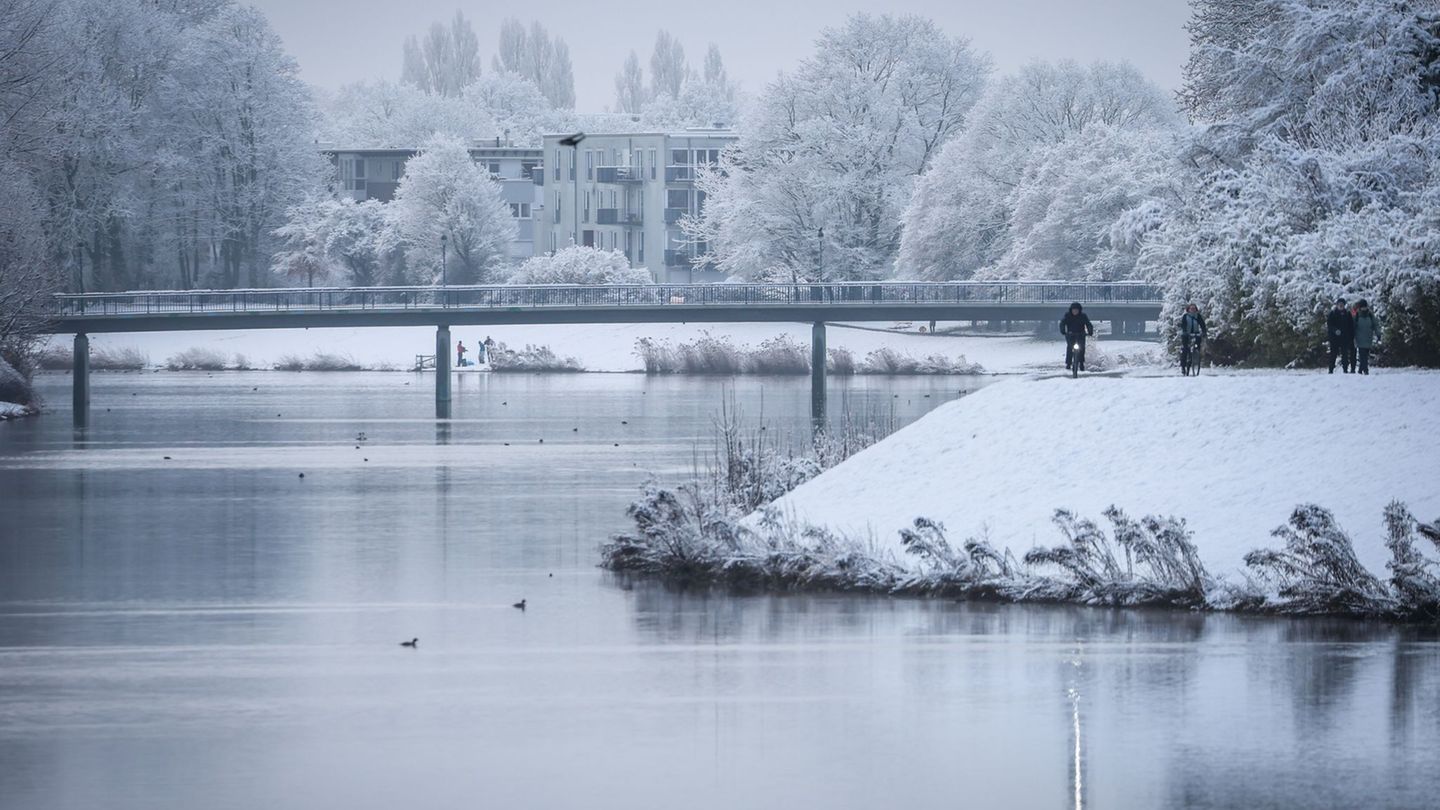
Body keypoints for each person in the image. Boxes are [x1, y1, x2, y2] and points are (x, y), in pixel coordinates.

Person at [1059, 302, 1094, 372]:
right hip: (1070, 335)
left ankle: (1081, 363)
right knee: (1069, 348)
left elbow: (1088, 324)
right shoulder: (1067, 315)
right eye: (1073, 310)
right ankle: (1068, 363)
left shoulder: (1083, 316)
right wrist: (1063, 331)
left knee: (1082, 348)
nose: (1075, 311)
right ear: (1071, 310)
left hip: (1081, 335)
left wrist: (1090, 332)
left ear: (1079, 310)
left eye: (1076, 310)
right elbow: (1062, 323)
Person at [1326, 298, 1355, 373]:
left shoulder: (1347, 314)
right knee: (1333, 354)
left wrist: (1351, 336)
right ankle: (1331, 370)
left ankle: (1345, 369)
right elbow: (1329, 325)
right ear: (1337, 305)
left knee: (1345, 355)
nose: (1341, 306)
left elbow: (1350, 326)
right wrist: (1335, 330)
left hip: (1345, 338)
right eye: (1339, 305)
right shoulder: (1332, 313)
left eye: (1342, 305)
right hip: (1334, 338)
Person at [1178, 303, 1207, 376]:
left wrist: (1204, 332)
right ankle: (1183, 366)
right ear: (1188, 309)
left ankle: (1196, 355)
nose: (1193, 310)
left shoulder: (1198, 316)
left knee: (1197, 344)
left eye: (1194, 308)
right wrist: (1185, 331)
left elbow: (1202, 324)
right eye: (1191, 308)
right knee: (1185, 349)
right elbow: (1183, 325)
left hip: (1195, 333)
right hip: (1186, 334)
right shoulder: (1185, 316)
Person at [1353, 299, 1380, 375]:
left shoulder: (1370, 315)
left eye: (1365, 307)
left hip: (1368, 338)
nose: (1364, 308)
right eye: (1362, 307)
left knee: (1366, 354)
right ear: (1360, 308)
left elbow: (1375, 325)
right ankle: (1365, 370)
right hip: (1360, 338)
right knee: (1362, 355)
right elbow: (1353, 326)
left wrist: (1378, 334)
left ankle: (1360, 370)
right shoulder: (1357, 315)